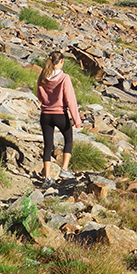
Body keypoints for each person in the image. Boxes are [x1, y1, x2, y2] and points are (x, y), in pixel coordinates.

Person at [35, 51, 82, 188]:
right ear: (61, 61)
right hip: (60, 114)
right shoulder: (64, 78)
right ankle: (64, 169)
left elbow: (39, 95)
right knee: (68, 139)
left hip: (45, 115)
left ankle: (47, 178)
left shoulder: (43, 76)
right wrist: (77, 120)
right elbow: (71, 99)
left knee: (48, 145)